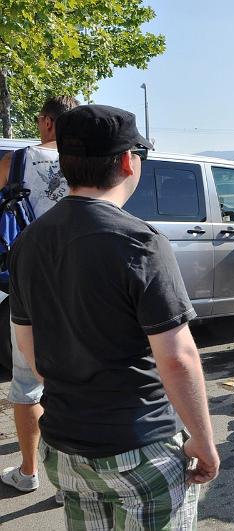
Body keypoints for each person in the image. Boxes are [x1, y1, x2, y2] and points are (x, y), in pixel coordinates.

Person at [8, 104, 218, 526]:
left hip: (65, 448)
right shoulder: (139, 241)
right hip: (138, 447)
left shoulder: (29, 240)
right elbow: (177, 357)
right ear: (127, 161)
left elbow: (27, 341)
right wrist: (204, 440)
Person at [0, 96, 79, 501]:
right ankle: (70, 483)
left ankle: (29, 472)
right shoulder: (86, 162)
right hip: (79, 285)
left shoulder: (16, 162)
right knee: (76, 379)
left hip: (30, 284)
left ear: (48, 121)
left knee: (27, 382)